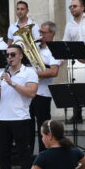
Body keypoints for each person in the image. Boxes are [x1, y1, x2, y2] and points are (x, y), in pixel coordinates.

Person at [0, 44, 38, 169]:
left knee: (23, 153)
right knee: (3, 153)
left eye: (13, 54)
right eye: (7, 55)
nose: (9, 58)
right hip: (2, 118)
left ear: (20, 56)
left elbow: (31, 93)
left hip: (20, 118)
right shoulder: (1, 74)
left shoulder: (29, 72)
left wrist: (12, 83)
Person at [62, 0, 85, 124]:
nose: (72, 8)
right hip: (77, 58)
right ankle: (77, 115)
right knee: (76, 87)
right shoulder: (69, 24)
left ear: (82, 8)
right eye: (70, 6)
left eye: (75, 6)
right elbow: (65, 41)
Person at [31, 21, 61, 153]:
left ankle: (45, 154)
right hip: (29, 92)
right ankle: (30, 154)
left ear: (52, 34)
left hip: (43, 93)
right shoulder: (35, 47)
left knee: (43, 127)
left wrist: (32, 76)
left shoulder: (54, 50)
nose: (40, 34)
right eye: (40, 32)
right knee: (28, 126)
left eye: (44, 32)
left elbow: (54, 71)